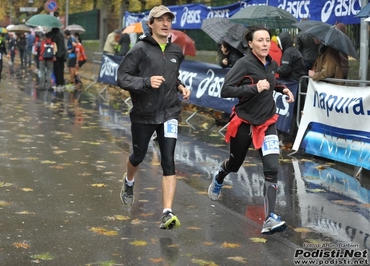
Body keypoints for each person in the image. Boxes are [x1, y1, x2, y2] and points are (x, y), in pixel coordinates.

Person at [207, 26, 294, 235]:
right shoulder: (243, 64)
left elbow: (271, 80)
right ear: (251, 44)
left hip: (267, 122)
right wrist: (255, 88)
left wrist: (282, 89)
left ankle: (270, 218)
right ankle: (220, 175)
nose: (265, 44)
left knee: (272, 168)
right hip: (245, 121)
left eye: (267, 40)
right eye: (260, 40)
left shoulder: (271, 63)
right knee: (235, 164)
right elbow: (226, 90)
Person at [116, 5, 190, 230]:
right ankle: (129, 182)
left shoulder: (176, 50)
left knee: (169, 161)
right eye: (161, 20)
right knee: (138, 156)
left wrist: (180, 86)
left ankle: (167, 212)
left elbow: (172, 76)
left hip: (169, 113)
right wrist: (146, 82)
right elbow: (122, 78)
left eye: (169, 20)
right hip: (144, 113)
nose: (166, 24)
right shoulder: (139, 49)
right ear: (151, 24)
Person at [276, 31, 306, 148]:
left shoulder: (288, 52)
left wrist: (275, 69)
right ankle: (292, 139)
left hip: (295, 86)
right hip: (299, 84)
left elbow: (285, 70)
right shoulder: (293, 51)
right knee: (295, 112)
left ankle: (288, 139)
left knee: (292, 113)